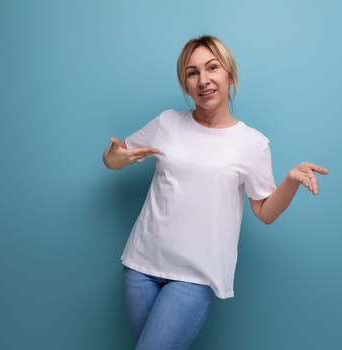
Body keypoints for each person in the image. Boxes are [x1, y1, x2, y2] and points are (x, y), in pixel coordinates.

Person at [103, 35, 328, 350]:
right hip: (140, 266)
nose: (203, 79)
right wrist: (114, 158)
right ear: (185, 83)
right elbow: (113, 158)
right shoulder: (167, 123)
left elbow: (264, 212)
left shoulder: (252, 143)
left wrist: (290, 181)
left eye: (212, 68)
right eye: (192, 72)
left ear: (230, 75)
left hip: (195, 276)